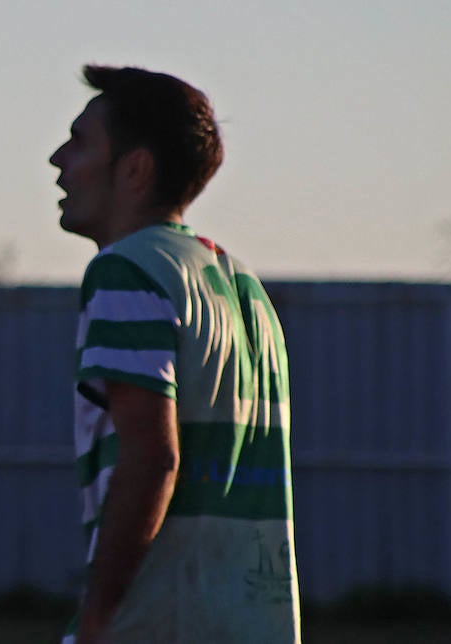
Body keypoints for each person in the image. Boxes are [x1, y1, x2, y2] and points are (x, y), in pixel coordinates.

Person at [49, 65, 300, 643]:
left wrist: (97, 616)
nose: (57, 160)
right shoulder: (245, 288)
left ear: (135, 168)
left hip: (161, 620)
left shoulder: (126, 271)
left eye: (79, 140)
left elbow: (151, 460)